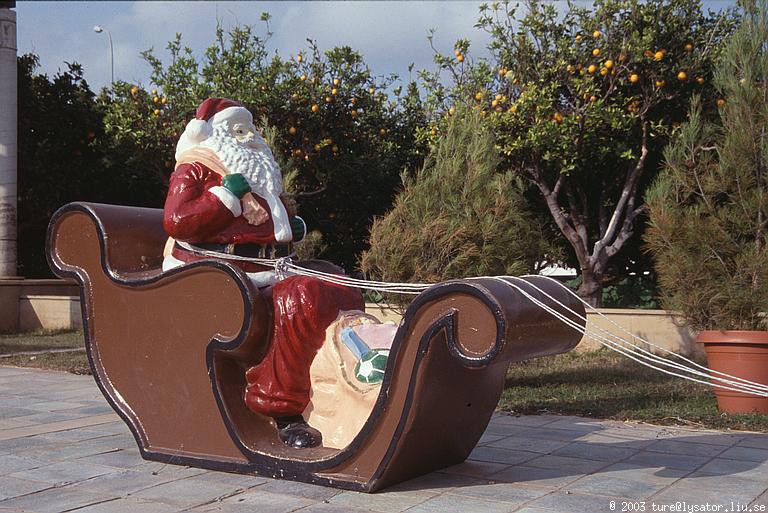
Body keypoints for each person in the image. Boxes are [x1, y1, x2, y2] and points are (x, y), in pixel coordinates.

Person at [162, 98, 363, 448]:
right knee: (298, 298)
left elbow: (274, 223)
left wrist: (289, 227)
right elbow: (177, 220)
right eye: (241, 130)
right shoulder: (196, 169)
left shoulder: (258, 176)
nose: (252, 137)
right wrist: (226, 195)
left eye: (252, 129)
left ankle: (339, 387)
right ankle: (280, 405)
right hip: (220, 273)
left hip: (272, 267)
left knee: (340, 282)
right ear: (216, 134)